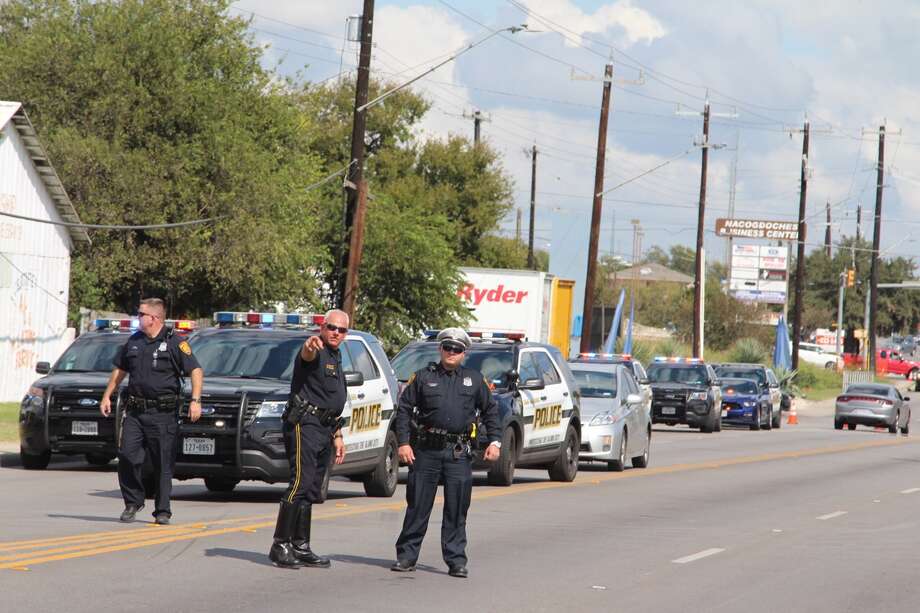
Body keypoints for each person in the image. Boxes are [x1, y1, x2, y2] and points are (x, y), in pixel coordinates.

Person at [391, 328, 501, 578]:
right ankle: (407, 556)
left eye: (457, 349)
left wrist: (495, 442)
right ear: (440, 349)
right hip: (426, 450)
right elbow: (404, 410)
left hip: (458, 452)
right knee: (418, 505)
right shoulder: (421, 377)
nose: (452, 353)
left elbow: (490, 412)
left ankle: (456, 559)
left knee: (457, 507)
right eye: (448, 348)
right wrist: (403, 443)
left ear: (465, 353)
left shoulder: (475, 380)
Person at [100, 298, 203, 524]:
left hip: (163, 413)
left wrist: (195, 400)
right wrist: (107, 395)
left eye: (141, 314)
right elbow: (120, 370)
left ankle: (162, 510)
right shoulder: (134, 341)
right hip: (136, 411)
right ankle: (133, 501)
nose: (138, 317)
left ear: (154, 318)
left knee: (162, 463)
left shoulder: (175, 342)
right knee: (127, 455)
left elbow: (195, 370)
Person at [269, 309, 349, 569]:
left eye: (341, 330)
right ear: (322, 328)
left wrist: (337, 435)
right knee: (300, 483)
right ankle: (280, 544)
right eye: (331, 327)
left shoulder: (336, 356)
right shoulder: (315, 350)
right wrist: (309, 345)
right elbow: (307, 353)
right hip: (306, 425)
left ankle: (300, 545)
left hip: (325, 428)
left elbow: (331, 400)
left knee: (313, 487)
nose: (336, 333)